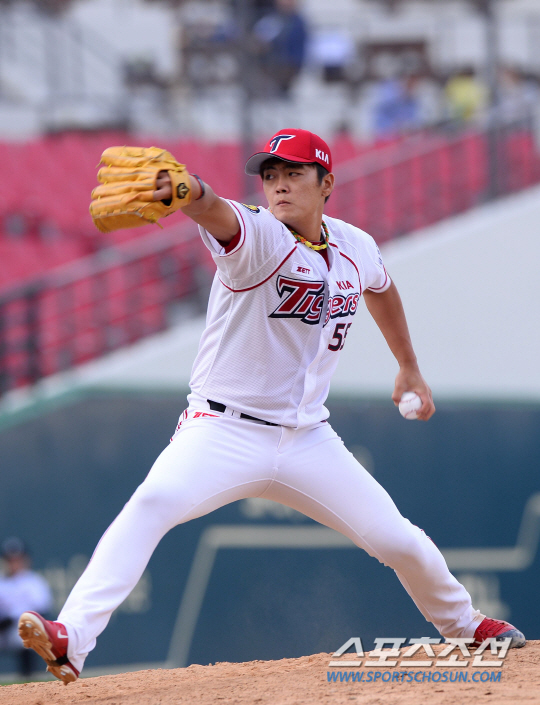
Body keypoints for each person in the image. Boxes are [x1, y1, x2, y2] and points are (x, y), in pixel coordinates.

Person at [19, 127, 525, 684]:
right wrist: (187, 190)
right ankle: (73, 637)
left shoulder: (355, 246)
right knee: (153, 502)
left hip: (308, 438)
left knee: (397, 538)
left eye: (293, 173)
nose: (279, 185)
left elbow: (381, 288)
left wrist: (407, 364)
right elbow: (216, 210)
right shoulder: (260, 237)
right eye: (270, 175)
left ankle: (465, 626)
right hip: (223, 429)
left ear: (326, 183)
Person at [0, 538, 52, 678]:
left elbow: (41, 611)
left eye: (17, 559)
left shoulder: (34, 582)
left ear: (25, 560)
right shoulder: (1, 582)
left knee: (23, 636)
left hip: (24, 628)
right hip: (2, 629)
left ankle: (28, 678)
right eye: (10, 560)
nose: (14, 563)